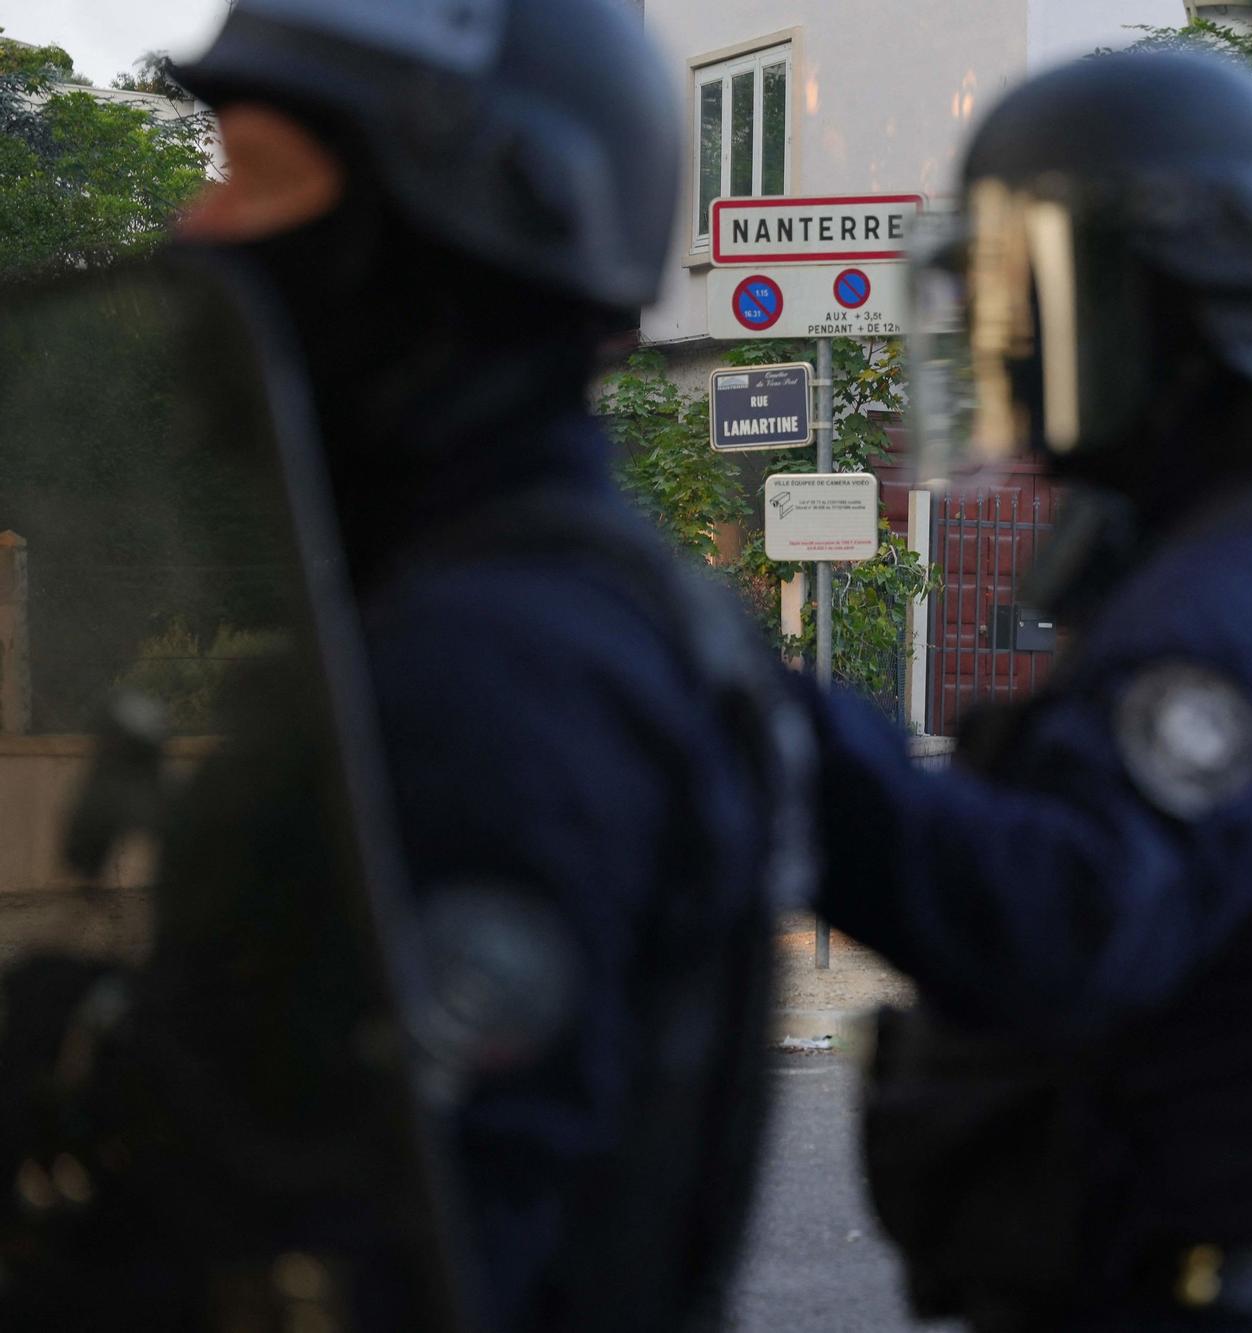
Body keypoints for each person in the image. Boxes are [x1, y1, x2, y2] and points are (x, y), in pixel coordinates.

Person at [0, 1, 800, 1328]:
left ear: (436, 242)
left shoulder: (491, 678)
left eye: (256, 176)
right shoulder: (551, 605)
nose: (196, 225)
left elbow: (374, 1253)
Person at [806, 50, 1252, 1333]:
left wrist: (781, 733)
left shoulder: (1249, 601)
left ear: (1142, 305)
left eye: (1021, 295)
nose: (998, 340)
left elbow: (1068, 918)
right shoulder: (1225, 558)